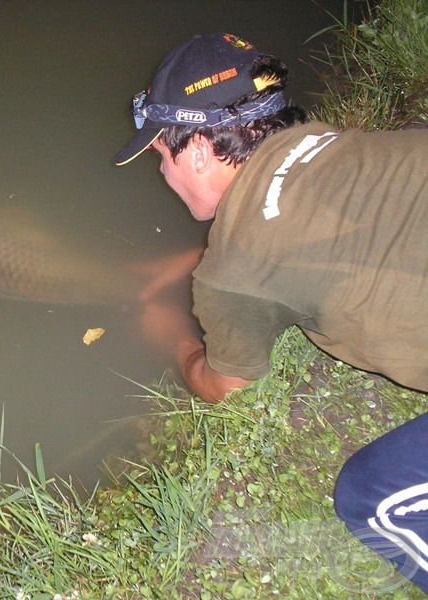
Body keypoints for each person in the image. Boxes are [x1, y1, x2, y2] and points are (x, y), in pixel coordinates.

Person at [114, 32, 428, 593]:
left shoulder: (232, 274)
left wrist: (172, 341)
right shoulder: (332, 143)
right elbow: (287, 214)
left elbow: (229, 386)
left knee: (369, 496)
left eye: (162, 154)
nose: (161, 173)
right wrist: (199, 254)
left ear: (201, 151)